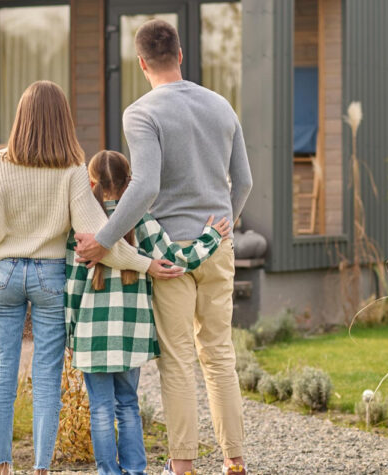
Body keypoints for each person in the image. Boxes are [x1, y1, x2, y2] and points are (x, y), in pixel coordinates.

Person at [0, 81, 183, 475]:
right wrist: (146, 264)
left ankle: (0, 467)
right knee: (47, 378)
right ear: (63, 121)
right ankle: (40, 469)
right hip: (50, 279)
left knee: (2, 372)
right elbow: (99, 241)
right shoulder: (71, 172)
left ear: (20, 120)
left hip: (2, 276)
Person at [74, 19, 254, 475]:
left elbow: (146, 186)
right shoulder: (220, 105)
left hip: (168, 253)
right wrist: (226, 224)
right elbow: (245, 181)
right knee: (219, 354)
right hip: (217, 245)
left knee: (177, 361)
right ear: (178, 55)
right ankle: (234, 458)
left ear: (140, 63)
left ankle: (185, 465)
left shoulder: (140, 112)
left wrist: (104, 239)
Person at [65, 150, 230, 475]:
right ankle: (135, 470)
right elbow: (176, 259)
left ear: (91, 181)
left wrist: (70, 335)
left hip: (91, 336)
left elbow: (72, 287)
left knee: (99, 409)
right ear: (131, 183)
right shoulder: (141, 220)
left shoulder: (82, 224)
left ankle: (108, 472)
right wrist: (212, 237)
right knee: (127, 404)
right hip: (132, 334)